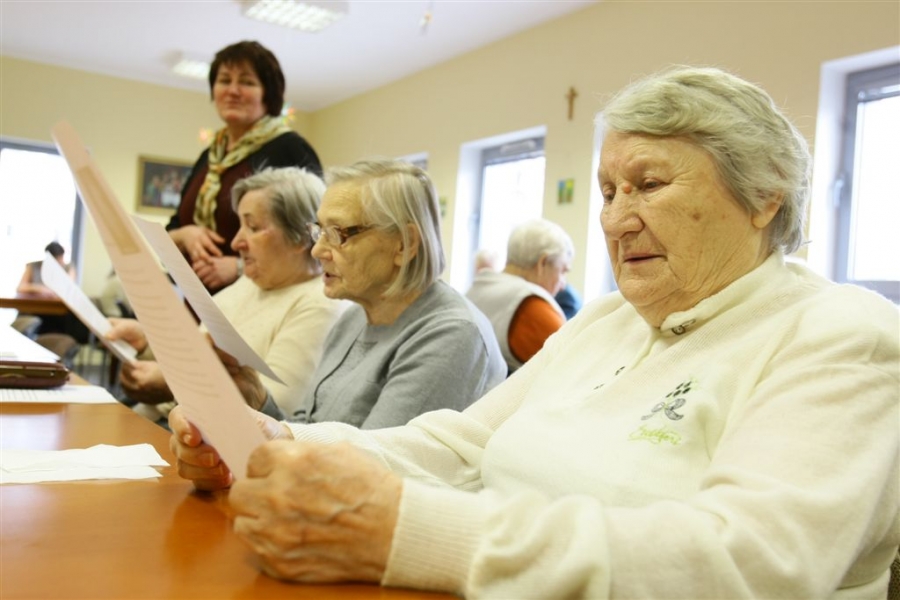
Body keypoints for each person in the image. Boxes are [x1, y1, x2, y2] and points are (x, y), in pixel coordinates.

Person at [169, 67, 900, 599]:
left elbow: (753, 563)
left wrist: (407, 532)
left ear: (765, 195)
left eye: (649, 185)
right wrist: (276, 443)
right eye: (608, 191)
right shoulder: (609, 319)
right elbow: (460, 446)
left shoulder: (840, 334)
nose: (615, 220)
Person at [232, 158, 505, 428]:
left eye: (337, 233)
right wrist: (257, 398)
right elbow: (308, 428)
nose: (317, 251)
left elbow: (373, 454)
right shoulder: (353, 319)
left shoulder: (452, 335)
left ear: (404, 244)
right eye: (319, 231)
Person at [109, 167, 345, 423]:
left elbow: (270, 409)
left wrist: (173, 383)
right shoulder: (251, 283)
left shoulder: (319, 305)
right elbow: (197, 356)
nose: (235, 243)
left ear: (300, 237)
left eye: (253, 227)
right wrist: (146, 344)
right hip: (162, 419)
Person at [167, 40, 322, 294]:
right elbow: (174, 225)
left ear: (268, 94)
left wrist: (240, 267)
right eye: (224, 80)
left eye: (247, 82)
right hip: (199, 301)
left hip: (261, 299)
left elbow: (316, 236)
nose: (233, 90)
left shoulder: (290, 149)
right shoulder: (209, 156)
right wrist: (186, 235)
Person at [466, 219, 573, 374]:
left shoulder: (475, 290)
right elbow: (571, 371)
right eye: (563, 271)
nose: (563, 285)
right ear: (542, 263)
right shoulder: (533, 307)